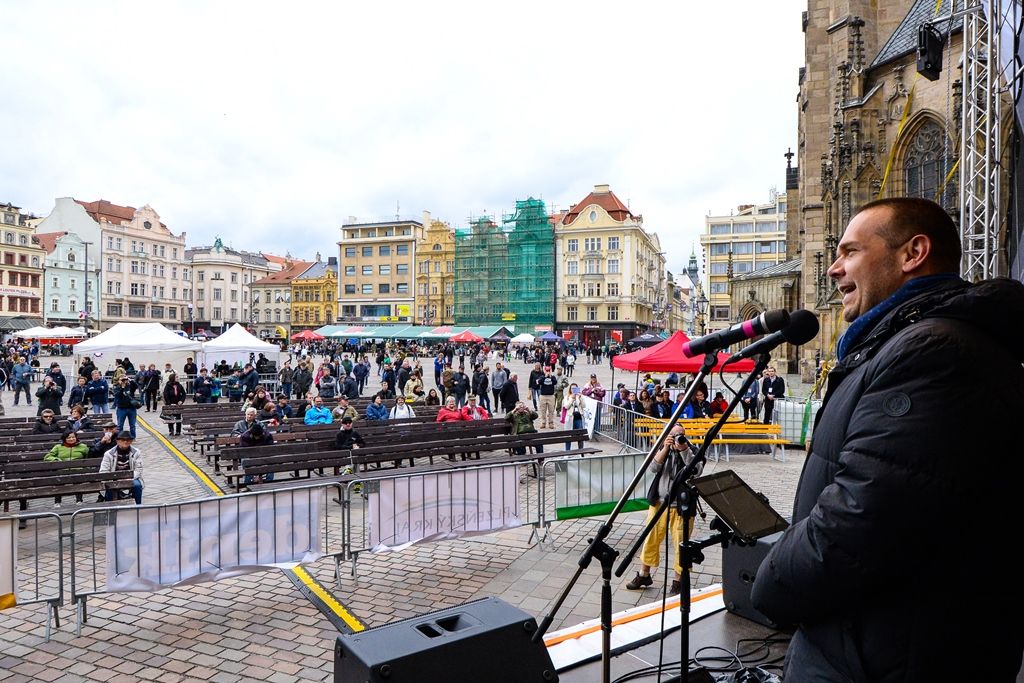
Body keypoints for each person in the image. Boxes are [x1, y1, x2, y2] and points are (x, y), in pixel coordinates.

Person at [750, 197, 1024, 681]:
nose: (834, 268)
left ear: (912, 253)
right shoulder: (905, 342)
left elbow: (860, 519)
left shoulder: (934, 354)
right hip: (870, 643)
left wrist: (769, 581)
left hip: (888, 657)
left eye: (850, 251)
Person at [625, 424, 700, 596]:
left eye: (681, 434)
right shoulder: (662, 448)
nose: (678, 438)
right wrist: (666, 448)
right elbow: (653, 468)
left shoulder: (693, 450)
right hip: (659, 504)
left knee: (681, 544)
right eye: (674, 435)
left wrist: (683, 450)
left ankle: (678, 582)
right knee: (650, 539)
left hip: (682, 507)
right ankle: (644, 575)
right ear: (667, 436)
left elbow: (696, 471)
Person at [44, 430, 90, 506]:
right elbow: (47, 457)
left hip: (77, 470)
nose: (71, 439)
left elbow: (88, 457)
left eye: (73, 437)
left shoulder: (83, 446)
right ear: (64, 438)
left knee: (78, 479)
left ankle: (79, 500)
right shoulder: (58, 447)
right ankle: (57, 502)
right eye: (69, 437)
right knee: (59, 480)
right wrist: (56, 460)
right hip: (62, 470)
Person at [99, 430, 144, 504]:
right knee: (109, 486)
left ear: (131, 441)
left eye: (128, 440)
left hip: (131, 477)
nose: (126, 442)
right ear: (117, 441)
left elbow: (138, 469)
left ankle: (138, 506)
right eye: (123, 440)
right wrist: (113, 478)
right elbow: (104, 471)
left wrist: (130, 478)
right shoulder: (108, 454)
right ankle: (110, 507)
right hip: (113, 479)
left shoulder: (136, 452)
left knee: (137, 485)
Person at [562, 384, 586, 450]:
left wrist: (581, 397)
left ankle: (581, 451)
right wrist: (572, 399)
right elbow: (566, 406)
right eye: (572, 388)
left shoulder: (580, 396)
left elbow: (584, 406)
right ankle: (567, 451)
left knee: (580, 435)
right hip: (570, 417)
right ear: (570, 389)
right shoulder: (567, 397)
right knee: (568, 435)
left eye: (575, 388)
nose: (573, 390)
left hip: (578, 418)